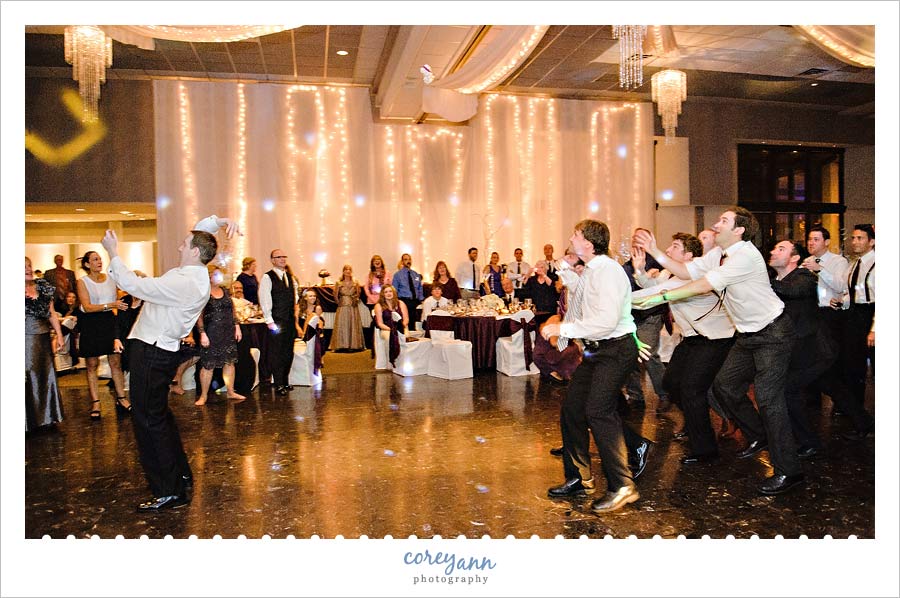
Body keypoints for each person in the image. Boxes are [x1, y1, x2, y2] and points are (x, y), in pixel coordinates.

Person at [634, 207, 803, 496]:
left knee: (769, 399)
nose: (715, 224)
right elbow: (687, 271)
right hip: (747, 335)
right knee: (724, 385)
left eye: (723, 221)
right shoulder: (719, 254)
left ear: (739, 230)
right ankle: (759, 435)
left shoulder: (746, 255)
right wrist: (655, 250)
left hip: (773, 333)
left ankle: (789, 471)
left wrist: (661, 297)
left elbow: (702, 285)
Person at [101, 214, 238, 511]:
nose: (179, 246)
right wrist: (222, 220)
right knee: (158, 416)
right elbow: (201, 234)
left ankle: (169, 491)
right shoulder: (196, 272)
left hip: (152, 352)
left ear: (194, 252)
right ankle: (180, 476)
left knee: (148, 421)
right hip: (157, 350)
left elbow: (131, 284)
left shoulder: (183, 280)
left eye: (184, 244)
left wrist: (112, 252)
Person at [541, 219, 646, 513]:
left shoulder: (609, 272)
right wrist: (564, 270)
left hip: (615, 348)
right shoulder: (592, 269)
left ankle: (623, 486)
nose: (571, 237)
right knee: (573, 408)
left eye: (576, 234)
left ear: (588, 243)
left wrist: (562, 330)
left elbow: (605, 321)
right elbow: (582, 294)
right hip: (598, 350)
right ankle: (579, 479)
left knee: (599, 411)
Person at [633, 233, 735, 464]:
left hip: (715, 339)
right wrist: (640, 271)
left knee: (692, 389)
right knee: (671, 383)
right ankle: (695, 421)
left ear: (689, 255)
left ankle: (705, 450)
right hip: (691, 339)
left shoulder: (696, 275)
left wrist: (616, 299)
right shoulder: (671, 274)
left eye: (675, 247)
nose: (668, 250)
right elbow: (651, 286)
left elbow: (654, 294)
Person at [768, 240, 836, 458]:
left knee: (789, 390)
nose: (773, 251)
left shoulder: (804, 277)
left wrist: (758, 280)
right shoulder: (775, 280)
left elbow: (793, 290)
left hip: (816, 350)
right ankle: (864, 423)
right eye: (774, 248)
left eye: (781, 249)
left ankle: (810, 442)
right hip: (796, 351)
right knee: (835, 387)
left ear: (795, 258)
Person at [75, 250, 130, 420]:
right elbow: (88, 306)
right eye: (95, 259)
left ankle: (121, 398)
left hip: (108, 322)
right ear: (87, 264)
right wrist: (111, 304)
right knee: (92, 364)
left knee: (116, 362)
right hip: (91, 323)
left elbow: (119, 300)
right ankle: (96, 402)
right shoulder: (82, 282)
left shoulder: (110, 279)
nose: (99, 262)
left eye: (100, 259)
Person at [835, 224, 876, 440]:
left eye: (860, 238)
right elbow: (853, 293)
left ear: (872, 241)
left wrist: (874, 329)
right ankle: (860, 418)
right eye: (853, 238)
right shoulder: (853, 265)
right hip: (854, 316)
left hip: (870, 315)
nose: (855, 241)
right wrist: (841, 302)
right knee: (853, 367)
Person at [623, 228, 669, 411]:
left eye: (640, 238)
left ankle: (665, 394)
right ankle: (635, 395)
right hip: (631, 317)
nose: (636, 241)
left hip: (650, 315)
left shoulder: (660, 264)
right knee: (629, 355)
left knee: (648, 354)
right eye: (634, 237)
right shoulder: (626, 265)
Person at [195, 265, 245, 406]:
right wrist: (202, 333)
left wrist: (237, 326)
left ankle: (230, 391)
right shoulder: (204, 293)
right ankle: (204, 395)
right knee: (208, 364)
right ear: (209, 276)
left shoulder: (225, 291)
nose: (219, 277)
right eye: (216, 275)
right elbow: (199, 316)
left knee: (229, 362)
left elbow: (232, 309)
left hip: (227, 331)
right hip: (211, 332)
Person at [25, 256, 65, 432]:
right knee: (28, 377)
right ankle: (28, 420)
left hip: (42, 338)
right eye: (23, 267)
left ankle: (47, 417)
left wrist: (59, 334)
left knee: (45, 375)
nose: (28, 269)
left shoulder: (43, 287)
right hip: (23, 339)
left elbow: (51, 313)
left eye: (29, 265)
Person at [260, 249, 301, 396]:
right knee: (276, 353)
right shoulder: (267, 277)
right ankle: (278, 383)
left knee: (288, 352)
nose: (283, 259)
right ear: (272, 260)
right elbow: (265, 300)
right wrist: (269, 320)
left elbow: (295, 298)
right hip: (276, 321)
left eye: (284, 256)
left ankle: (285, 380)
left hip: (289, 320)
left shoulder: (289, 276)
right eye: (279, 257)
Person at [330, 264, 365, 352]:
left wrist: (355, 300)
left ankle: (353, 345)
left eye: (349, 269)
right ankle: (342, 345)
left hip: (353, 307)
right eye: (346, 269)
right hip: (342, 306)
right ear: (343, 271)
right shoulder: (339, 283)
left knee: (353, 323)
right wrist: (340, 303)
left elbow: (358, 294)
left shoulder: (355, 282)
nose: (348, 271)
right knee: (342, 324)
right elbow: (335, 295)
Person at [374, 284, 409, 368]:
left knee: (405, 337)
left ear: (394, 292)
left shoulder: (401, 303)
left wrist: (401, 326)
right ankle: (392, 361)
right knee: (390, 338)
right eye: (386, 292)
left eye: (390, 291)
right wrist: (391, 329)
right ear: (383, 294)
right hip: (386, 329)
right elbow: (380, 323)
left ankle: (404, 361)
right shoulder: (378, 306)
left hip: (400, 327)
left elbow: (406, 319)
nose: (388, 293)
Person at [391, 253, 424, 329]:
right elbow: (394, 290)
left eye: (409, 259)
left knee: (413, 323)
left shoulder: (416, 275)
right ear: (402, 261)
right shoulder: (397, 275)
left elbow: (419, 288)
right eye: (406, 259)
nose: (408, 261)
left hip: (415, 301)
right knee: (405, 323)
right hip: (404, 301)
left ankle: (413, 337)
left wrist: (421, 299)